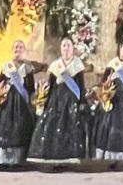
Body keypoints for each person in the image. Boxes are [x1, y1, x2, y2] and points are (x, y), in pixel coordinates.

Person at [29, 35, 88, 164]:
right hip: (56, 101)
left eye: (68, 45)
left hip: (72, 101)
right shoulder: (55, 66)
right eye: (64, 45)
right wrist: (44, 102)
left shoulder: (78, 65)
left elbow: (81, 86)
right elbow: (51, 87)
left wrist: (82, 102)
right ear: (61, 48)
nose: (66, 48)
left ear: (73, 48)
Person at [0, 39, 36, 166]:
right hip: (7, 101)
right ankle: (3, 157)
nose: (17, 49)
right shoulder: (6, 66)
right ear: (12, 49)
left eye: (20, 47)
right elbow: (0, 85)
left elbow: (31, 88)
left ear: (23, 50)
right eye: (16, 47)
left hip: (22, 102)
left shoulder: (28, 67)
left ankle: (20, 157)